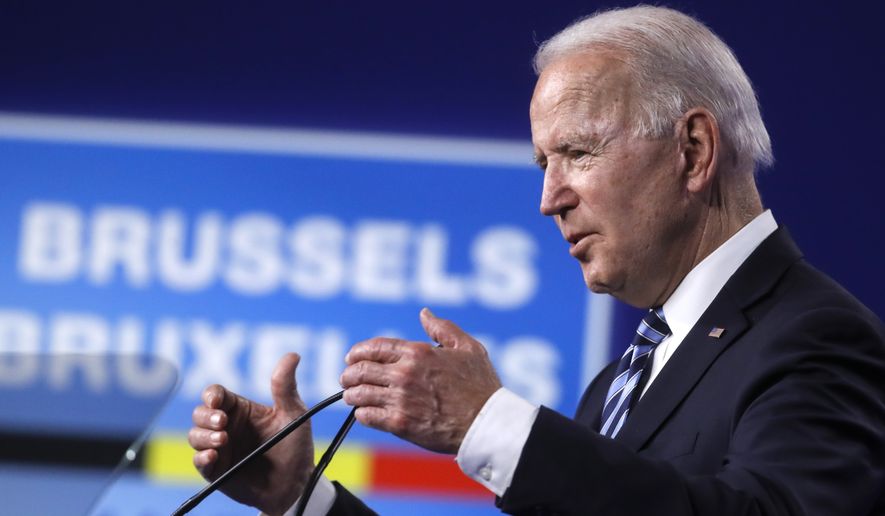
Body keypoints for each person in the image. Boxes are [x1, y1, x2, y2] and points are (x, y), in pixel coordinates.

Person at [188, 6, 885, 515]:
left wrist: (485, 422)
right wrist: (299, 499)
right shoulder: (613, 388)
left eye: (577, 154)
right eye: (542, 163)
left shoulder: (815, 338)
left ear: (693, 151)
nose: (548, 199)